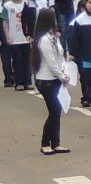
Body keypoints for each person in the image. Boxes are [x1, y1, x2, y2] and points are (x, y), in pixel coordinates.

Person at [31, 10, 68, 155]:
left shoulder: (53, 37)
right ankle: (45, 143)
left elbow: (60, 57)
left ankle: (56, 143)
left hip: (55, 79)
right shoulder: (44, 40)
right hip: (46, 80)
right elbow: (51, 62)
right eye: (54, 18)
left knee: (56, 111)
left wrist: (64, 72)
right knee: (54, 111)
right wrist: (61, 76)